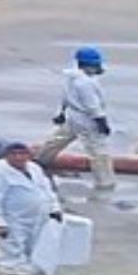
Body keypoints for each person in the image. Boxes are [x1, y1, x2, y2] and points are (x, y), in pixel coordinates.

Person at [0, 143, 63, 275]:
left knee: (32, 248)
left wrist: (54, 208)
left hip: (37, 218)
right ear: (6, 156)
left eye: (22, 154)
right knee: (12, 250)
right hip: (13, 220)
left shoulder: (34, 169)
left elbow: (46, 189)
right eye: (14, 154)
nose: (19, 157)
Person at [39, 47, 114, 191]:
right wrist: (102, 123)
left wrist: (61, 113)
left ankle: (41, 160)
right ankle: (105, 181)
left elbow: (65, 97)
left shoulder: (71, 77)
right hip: (87, 120)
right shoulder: (85, 83)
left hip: (73, 116)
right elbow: (92, 106)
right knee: (98, 151)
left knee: (58, 140)